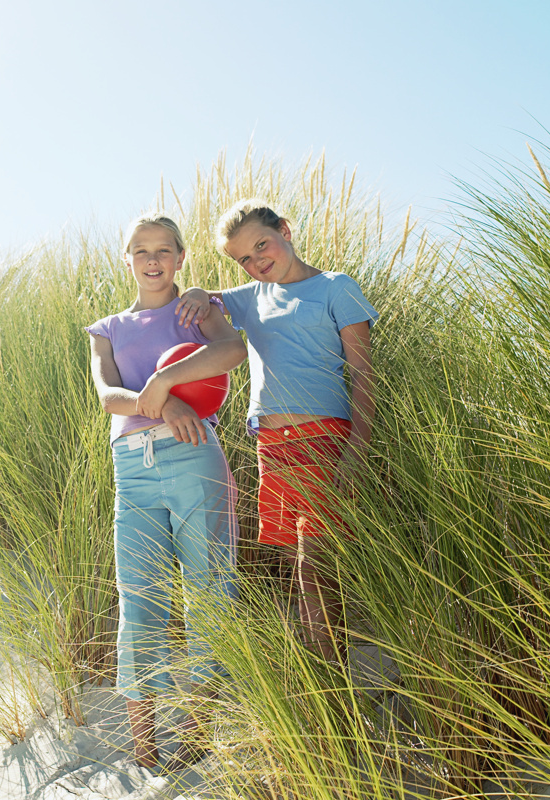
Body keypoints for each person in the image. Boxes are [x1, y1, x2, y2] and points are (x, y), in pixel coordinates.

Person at [177, 198, 378, 660]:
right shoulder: (250, 297)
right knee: (296, 566)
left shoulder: (335, 288)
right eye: (243, 259)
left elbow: (366, 377)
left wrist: (357, 453)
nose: (256, 261)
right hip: (272, 449)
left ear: (285, 229)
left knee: (314, 566)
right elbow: (207, 301)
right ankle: (319, 684)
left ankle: (331, 688)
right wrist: (196, 291)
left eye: (261, 245)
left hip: (325, 440)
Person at [86, 213, 246, 769]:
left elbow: (232, 352)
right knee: (140, 598)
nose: (152, 259)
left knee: (208, 589)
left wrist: (163, 382)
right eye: (140, 250)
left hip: (193, 457)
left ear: (180, 258)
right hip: (131, 468)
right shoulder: (107, 329)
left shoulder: (198, 310)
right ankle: (145, 744)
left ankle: (196, 732)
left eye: (163, 250)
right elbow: (108, 396)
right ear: (126, 259)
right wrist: (162, 402)